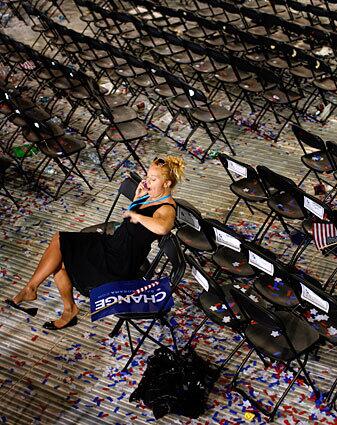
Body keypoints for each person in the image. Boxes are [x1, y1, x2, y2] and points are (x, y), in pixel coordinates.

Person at [7, 156, 185, 330]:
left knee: (61, 260)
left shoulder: (167, 208)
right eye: (147, 176)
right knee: (59, 242)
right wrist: (137, 200)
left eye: (153, 179)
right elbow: (131, 223)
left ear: (167, 183)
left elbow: (163, 228)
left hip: (119, 261)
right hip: (112, 244)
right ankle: (51, 300)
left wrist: (137, 215)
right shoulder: (151, 196)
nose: (147, 181)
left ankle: (49, 300)